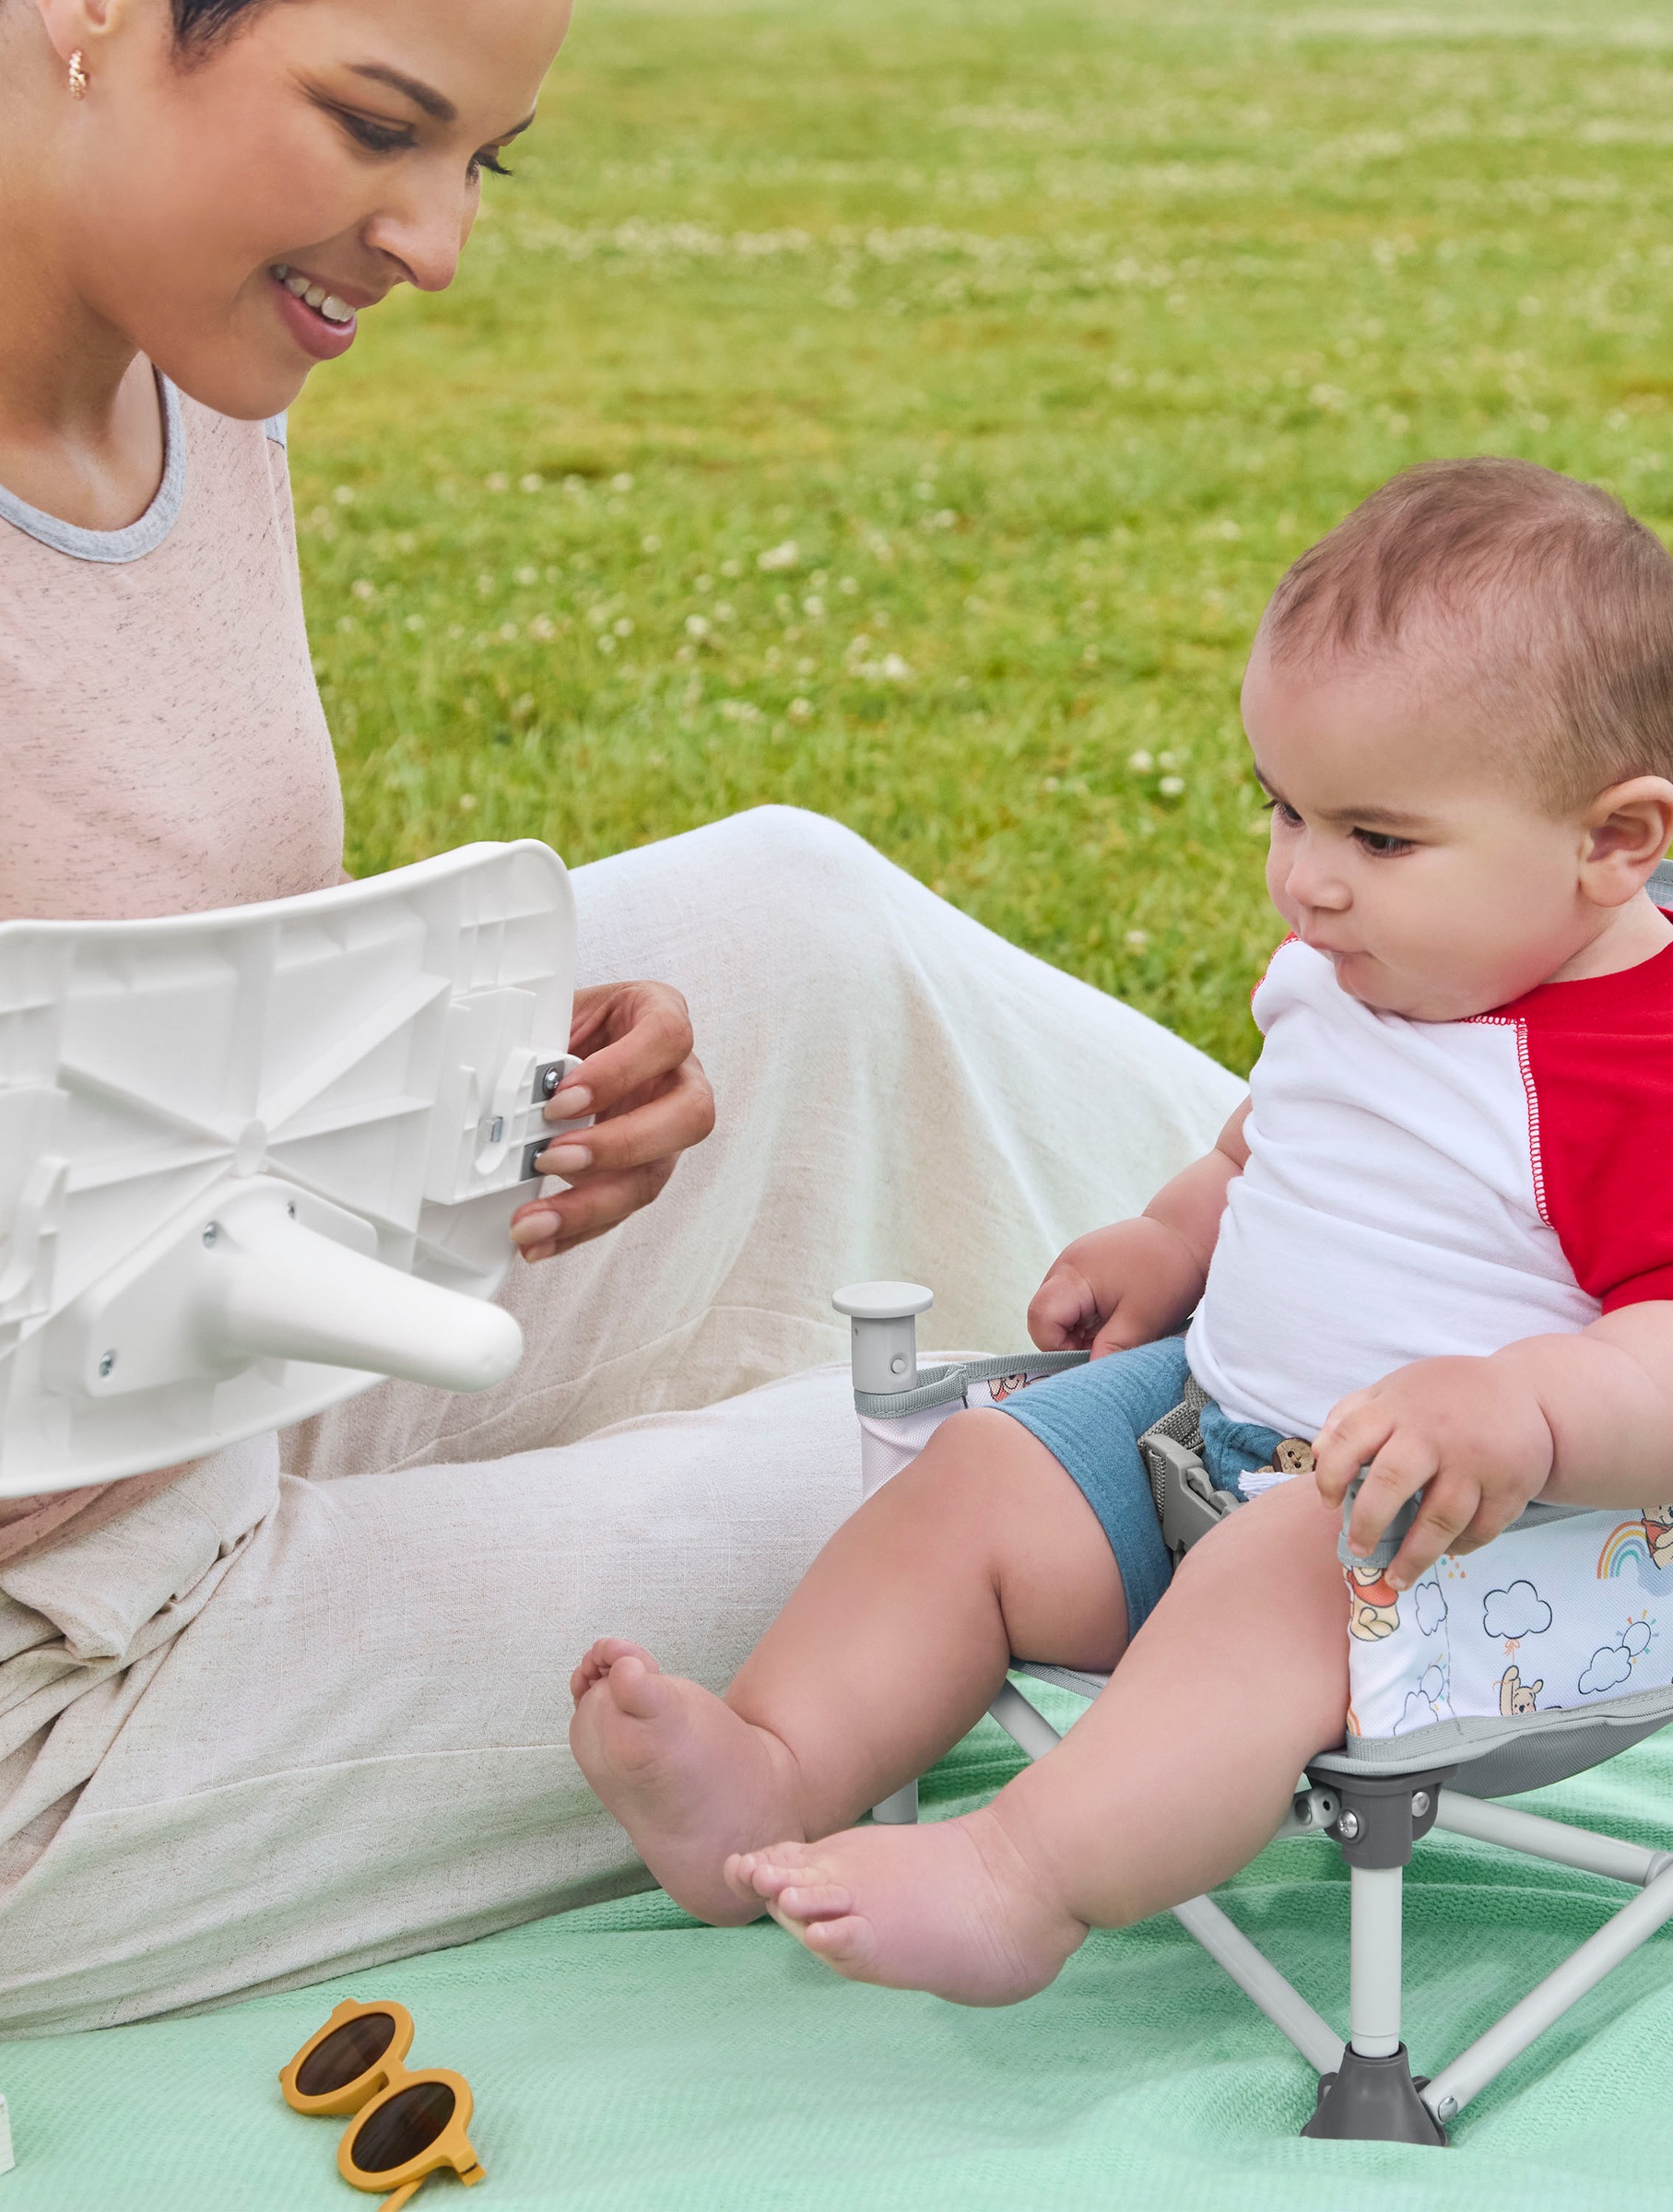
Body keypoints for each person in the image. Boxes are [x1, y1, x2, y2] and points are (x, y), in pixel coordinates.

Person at [0, 0, 1238, 2034]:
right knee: (968, 1506)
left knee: (801, 918)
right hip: (60, 1681)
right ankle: (1489, 1460)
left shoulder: (192, 366)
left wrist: (467, 1102)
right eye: (374, 127)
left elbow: (131, 976)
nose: (435, 243)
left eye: (476, 159)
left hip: (172, 1366)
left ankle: (1512, 1222)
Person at [568, 459, 1673, 2004]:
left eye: (1377, 837)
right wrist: (1172, 1236)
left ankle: (1020, 1876)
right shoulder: (1359, 968)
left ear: (1616, 840)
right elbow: (1271, 1139)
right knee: (984, 1463)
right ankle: (773, 1766)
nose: (1305, 881)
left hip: (1472, 1553)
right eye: (1284, 810)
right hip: (1211, 1433)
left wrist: (1526, 1407)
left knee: (1279, 1575)